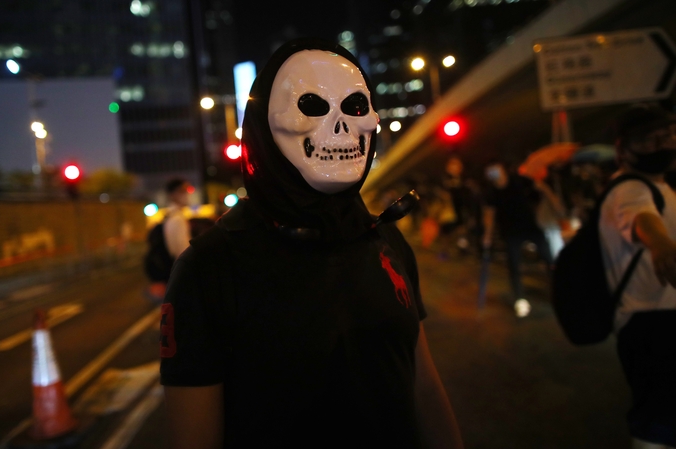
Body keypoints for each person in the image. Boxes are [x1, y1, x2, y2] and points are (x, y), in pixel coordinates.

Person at [160, 38, 463, 449]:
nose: (340, 127)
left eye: (356, 107)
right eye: (313, 108)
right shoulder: (210, 266)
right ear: (264, 128)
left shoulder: (384, 238)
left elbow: (423, 386)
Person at [599, 104, 676, 449]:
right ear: (622, 149)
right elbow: (642, 218)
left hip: (659, 318)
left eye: (668, 135)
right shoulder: (629, 188)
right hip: (651, 321)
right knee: (656, 425)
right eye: (649, 139)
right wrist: (661, 246)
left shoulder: (662, 187)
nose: (662, 145)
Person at [481, 158, 555, 317]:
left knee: (548, 259)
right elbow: (489, 214)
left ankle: (558, 292)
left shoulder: (518, 180)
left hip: (530, 227)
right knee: (514, 265)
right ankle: (520, 299)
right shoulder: (491, 192)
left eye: (496, 168)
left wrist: (549, 196)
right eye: (490, 170)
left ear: (502, 168)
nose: (494, 172)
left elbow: (538, 188)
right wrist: (487, 235)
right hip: (510, 232)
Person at [144, 178, 193, 301]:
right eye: (183, 191)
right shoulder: (177, 219)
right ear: (173, 194)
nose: (186, 195)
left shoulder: (168, 216)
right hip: (178, 276)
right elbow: (183, 252)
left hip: (171, 275)